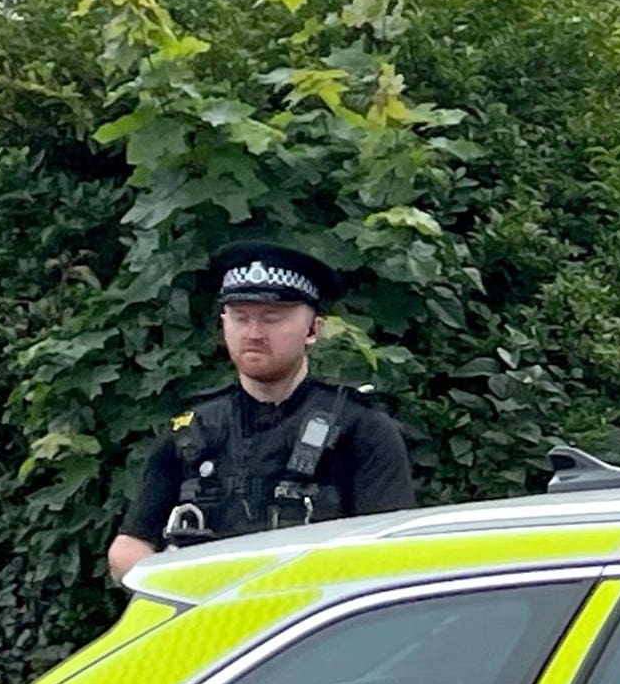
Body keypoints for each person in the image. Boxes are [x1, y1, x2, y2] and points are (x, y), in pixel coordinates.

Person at [106, 239, 416, 578]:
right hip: (209, 622)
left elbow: (389, 557)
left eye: (272, 318)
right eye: (240, 318)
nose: (253, 333)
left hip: (312, 624)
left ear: (313, 329)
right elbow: (130, 547)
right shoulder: (192, 432)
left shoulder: (362, 429)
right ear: (223, 324)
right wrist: (184, 589)